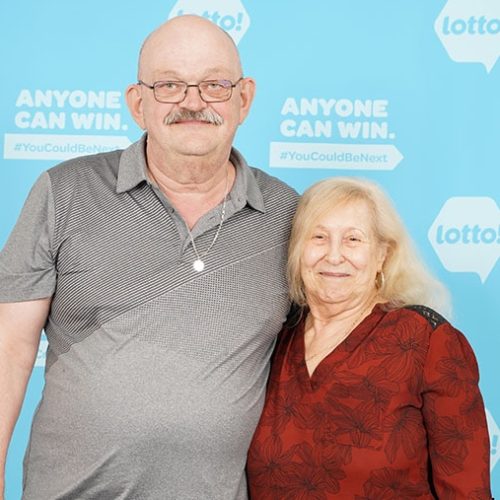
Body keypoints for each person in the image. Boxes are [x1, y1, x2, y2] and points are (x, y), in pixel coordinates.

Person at [0, 15, 298, 499]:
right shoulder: (65, 192)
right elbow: (9, 348)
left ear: (244, 98)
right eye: (170, 85)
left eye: (214, 84)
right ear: (137, 103)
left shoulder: (290, 216)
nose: (193, 102)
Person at [247, 177, 491, 499]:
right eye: (318, 237)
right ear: (296, 250)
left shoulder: (426, 341)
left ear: (382, 255)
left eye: (353, 239)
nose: (334, 256)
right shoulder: (273, 340)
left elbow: (467, 490)